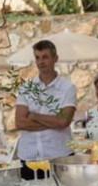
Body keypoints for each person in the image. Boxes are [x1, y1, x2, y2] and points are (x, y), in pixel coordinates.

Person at [14, 39, 77, 178]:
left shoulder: (67, 88)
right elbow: (20, 123)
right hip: (29, 157)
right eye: (37, 57)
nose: (41, 62)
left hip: (59, 156)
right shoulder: (26, 88)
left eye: (45, 57)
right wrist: (53, 122)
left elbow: (63, 121)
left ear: (55, 58)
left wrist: (34, 116)